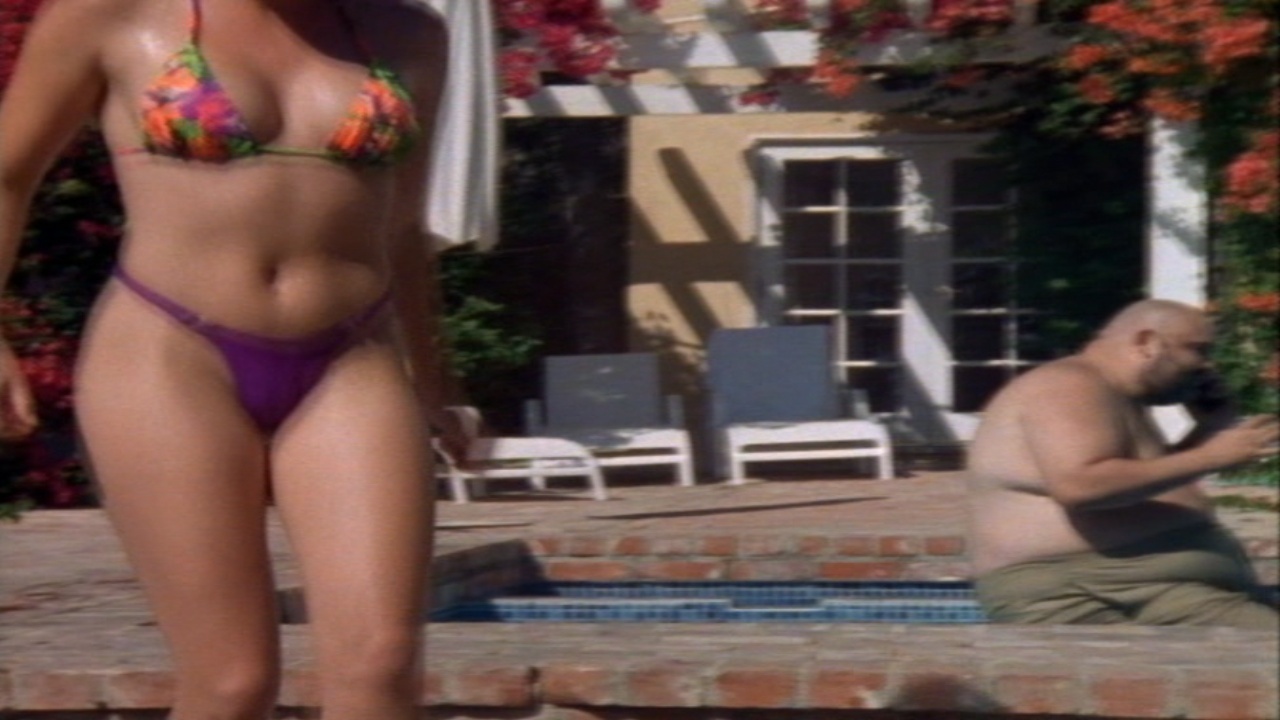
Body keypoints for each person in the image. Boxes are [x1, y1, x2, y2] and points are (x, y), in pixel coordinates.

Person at [0, 0, 472, 717]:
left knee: (381, 665)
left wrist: (436, 382)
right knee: (231, 682)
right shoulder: (111, 15)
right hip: (170, 352)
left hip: (351, 357)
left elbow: (402, 231)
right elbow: (8, 174)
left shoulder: (408, 33)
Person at [966, 299, 1279, 629]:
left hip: (1147, 588)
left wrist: (1208, 430)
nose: (1205, 365)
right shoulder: (1069, 384)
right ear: (1147, 343)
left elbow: (1142, 481)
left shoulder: (1110, 393)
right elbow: (1082, 486)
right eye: (1197, 350)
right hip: (1087, 590)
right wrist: (1211, 455)